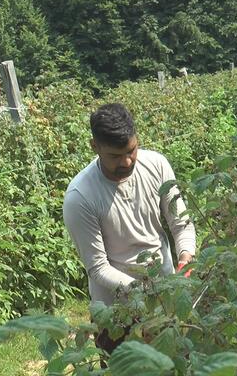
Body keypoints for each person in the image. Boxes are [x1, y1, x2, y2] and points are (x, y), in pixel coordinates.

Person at [62, 102, 196, 355]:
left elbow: (181, 223)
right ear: (94, 146)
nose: (126, 161)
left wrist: (186, 258)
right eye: (115, 156)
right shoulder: (80, 197)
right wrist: (145, 293)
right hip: (116, 314)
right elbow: (98, 268)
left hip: (165, 300)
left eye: (131, 150)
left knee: (176, 365)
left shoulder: (156, 165)